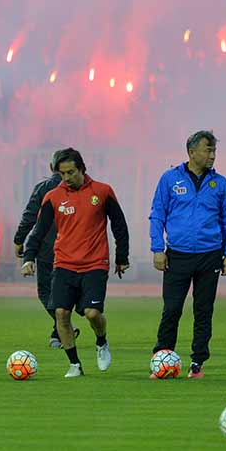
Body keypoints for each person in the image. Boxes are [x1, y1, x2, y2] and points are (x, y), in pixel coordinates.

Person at [21, 148, 130, 377]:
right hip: (64, 264)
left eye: (71, 172)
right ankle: (75, 365)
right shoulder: (53, 197)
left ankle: (101, 342)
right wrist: (29, 257)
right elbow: (39, 230)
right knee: (61, 313)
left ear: (82, 168)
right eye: (62, 174)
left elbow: (119, 224)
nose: (67, 178)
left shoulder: (102, 191)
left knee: (92, 313)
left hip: (94, 263)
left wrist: (122, 256)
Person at [149, 130, 226, 380]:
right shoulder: (170, 179)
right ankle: (162, 359)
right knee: (172, 309)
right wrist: (157, 249)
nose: (212, 155)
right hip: (177, 254)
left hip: (210, 255)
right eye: (208, 150)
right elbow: (158, 214)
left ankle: (197, 362)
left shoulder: (220, 183)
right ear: (191, 152)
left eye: (214, 151)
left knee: (203, 310)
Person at [13, 149, 79, 348]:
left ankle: (63, 326)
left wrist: (19, 241)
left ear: (51, 167)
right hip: (74, 250)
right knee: (64, 291)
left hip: (47, 251)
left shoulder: (43, 188)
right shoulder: (81, 188)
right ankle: (59, 331)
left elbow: (29, 216)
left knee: (45, 292)